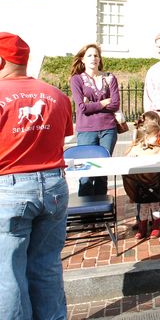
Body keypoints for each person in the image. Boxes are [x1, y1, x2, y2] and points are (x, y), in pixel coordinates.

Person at [0, 32, 74, 319]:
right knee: (47, 265)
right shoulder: (55, 95)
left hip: (9, 186)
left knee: (8, 273)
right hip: (53, 183)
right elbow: (61, 137)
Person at [69, 43, 121, 196]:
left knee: (102, 173)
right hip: (86, 131)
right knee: (85, 174)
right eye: (89, 55)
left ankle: (100, 216)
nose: (94, 58)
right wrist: (103, 102)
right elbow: (81, 108)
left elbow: (115, 104)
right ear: (83, 60)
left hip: (108, 129)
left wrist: (92, 104)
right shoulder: (77, 80)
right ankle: (86, 216)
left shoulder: (110, 78)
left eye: (96, 55)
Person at [123, 119, 160, 239]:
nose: (158, 138)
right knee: (143, 208)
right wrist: (131, 157)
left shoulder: (157, 148)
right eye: (156, 135)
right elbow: (127, 161)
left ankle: (156, 226)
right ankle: (142, 227)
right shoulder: (134, 149)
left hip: (154, 184)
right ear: (147, 136)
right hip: (141, 184)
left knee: (156, 206)